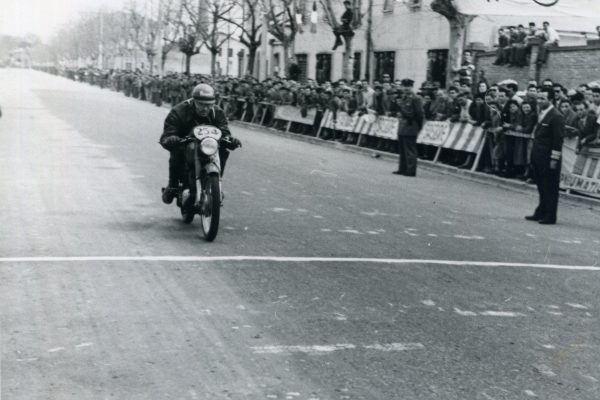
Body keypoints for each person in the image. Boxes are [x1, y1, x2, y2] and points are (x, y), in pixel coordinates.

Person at [159, 83, 241, 204]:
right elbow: (169, 130)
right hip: (185, 142)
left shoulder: (217, 112)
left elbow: (223, 131)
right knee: (176, 152)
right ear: (193, 101)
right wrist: (171, 138)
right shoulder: (179, 111)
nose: (205, 108)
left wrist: (230, 140)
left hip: (208, 144)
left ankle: (216, 184)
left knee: (222, 151)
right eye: (201, 104)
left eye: (209, 105)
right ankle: (172, 185)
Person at [525, 87, 564, 225]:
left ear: (551, 100)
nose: (539, 101)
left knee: (550, 188)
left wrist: (554, 158)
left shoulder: (556, 116)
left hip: (548, 158)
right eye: (538, 98)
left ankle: (550, 215)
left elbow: (557, 140)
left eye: (543, 98)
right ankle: (541, 211)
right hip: (539, 156)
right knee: (541, 186)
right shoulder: (541, 113)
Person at [393, 79, 424, 177]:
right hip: (402, 125)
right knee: (402, 149)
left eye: (408, 86)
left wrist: (418, 126)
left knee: (410, 149)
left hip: (411, 125)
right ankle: (402, 168)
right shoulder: (403, 98)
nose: (406, 88)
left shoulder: (416, 98)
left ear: (412, 87)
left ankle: (411, 170)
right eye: (404, 86)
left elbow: (419, 114)